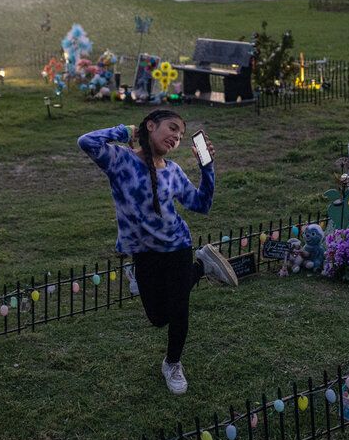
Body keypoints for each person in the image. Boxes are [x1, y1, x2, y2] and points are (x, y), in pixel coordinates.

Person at [77, 109, 237, 394]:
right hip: (144, 254)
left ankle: (172, 363)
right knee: (157, 317)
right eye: (172, 128)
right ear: (150, 126)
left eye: (181, 134)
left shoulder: (173, 171)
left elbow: (201, 205)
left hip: (177, 247)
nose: (176, 136)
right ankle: (201, 267)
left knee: (178, 310)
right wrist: (126, 132)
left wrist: (207, 167)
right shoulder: (120, 161)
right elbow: (86, 141)